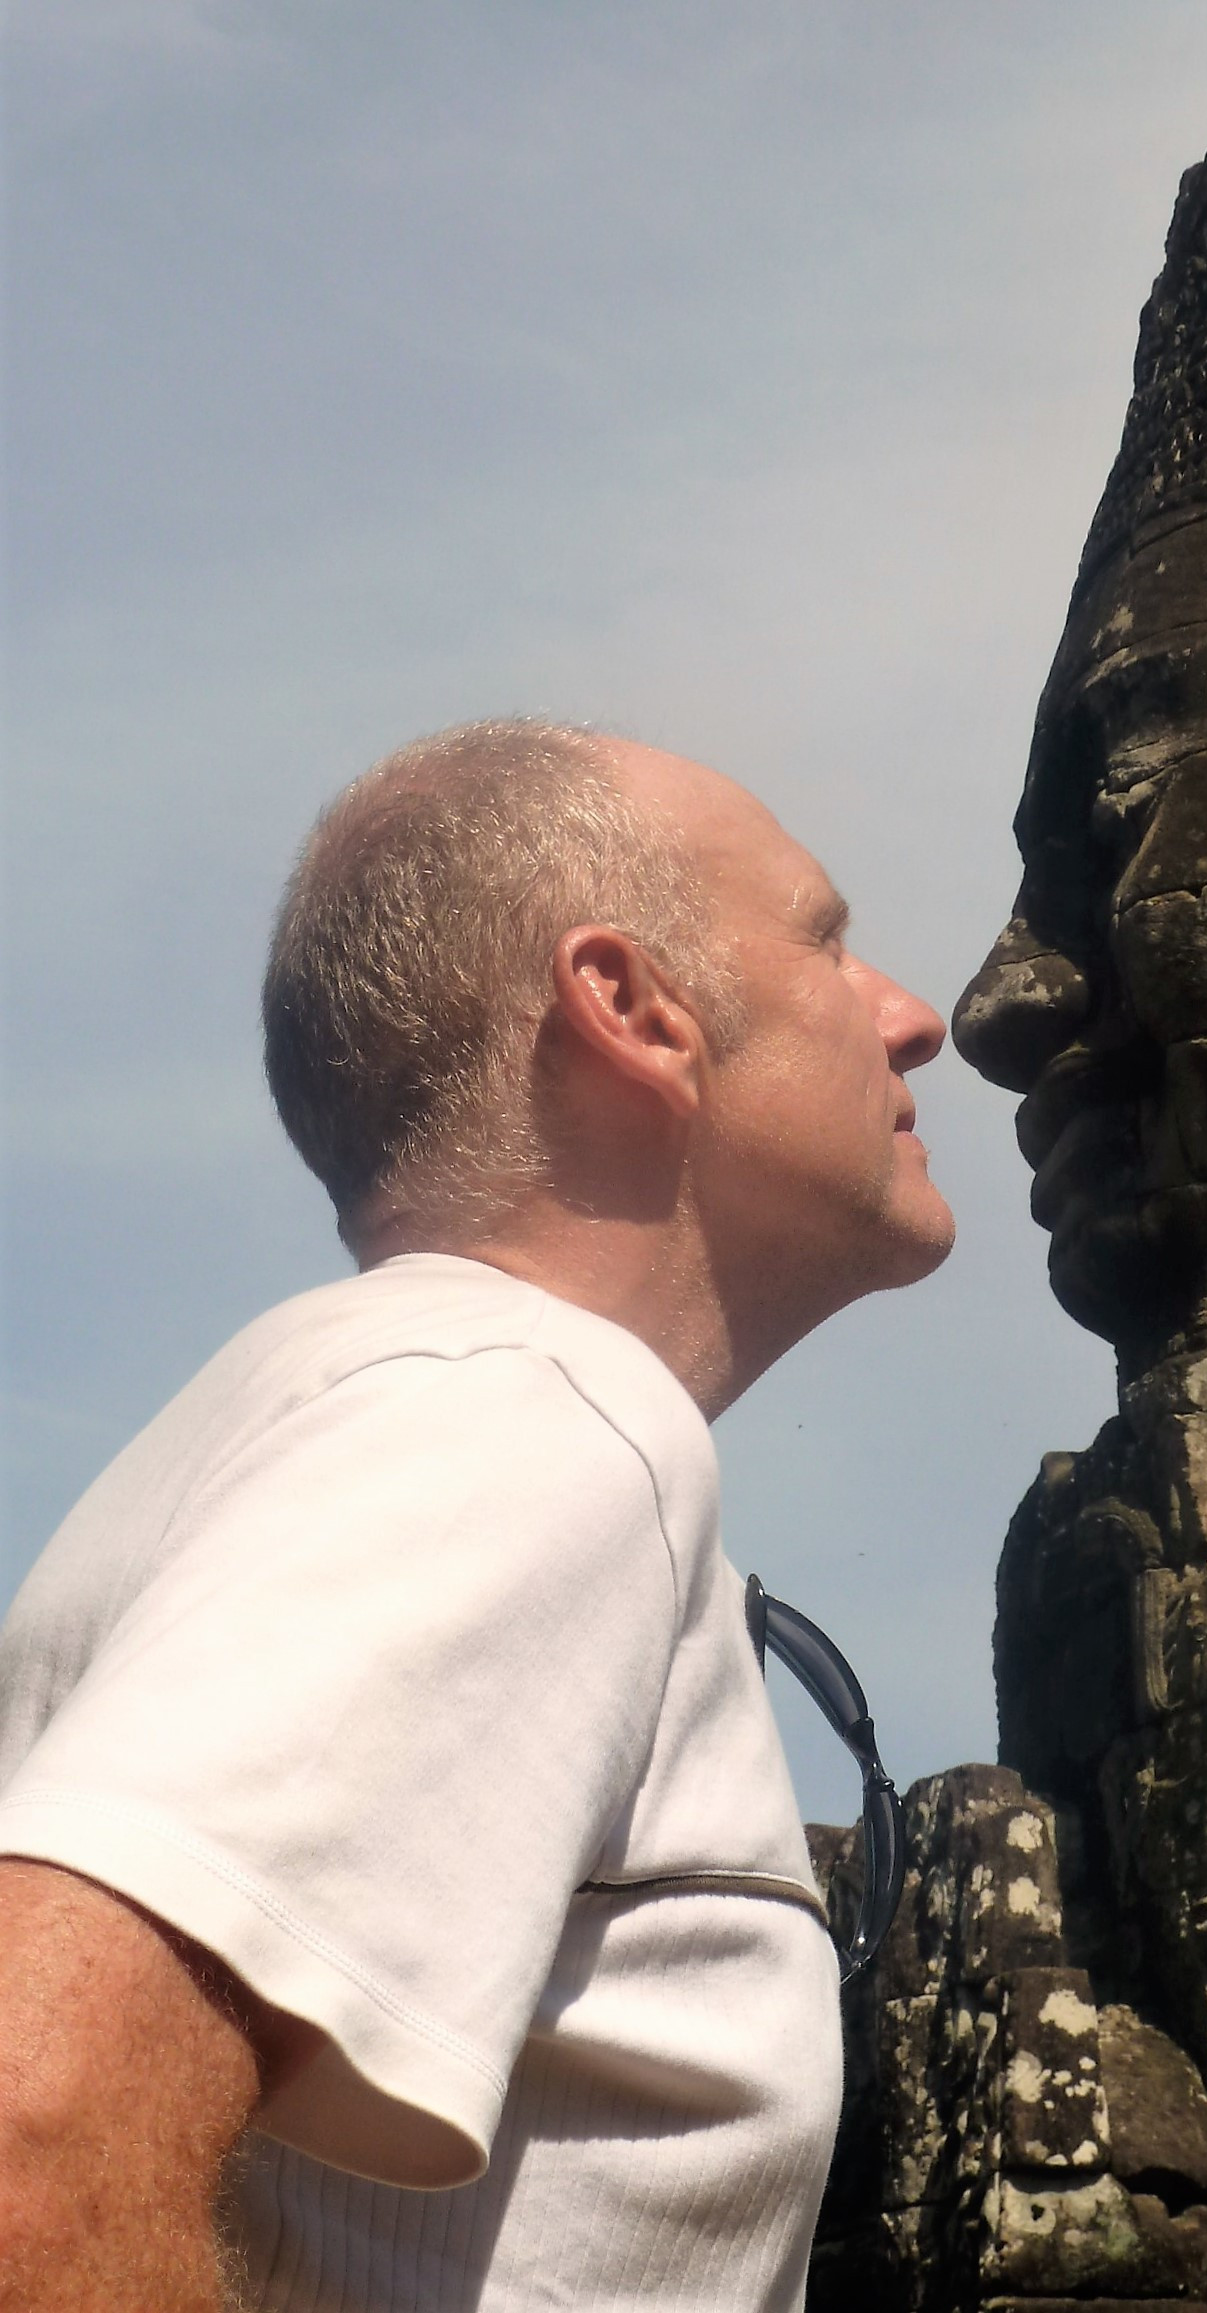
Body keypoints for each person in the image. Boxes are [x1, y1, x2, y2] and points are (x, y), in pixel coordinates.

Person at [0, 719, 954, 2310]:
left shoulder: (347, 1412)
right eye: (824, 937)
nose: (911, 1019)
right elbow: (36, 2129)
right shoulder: (523, 1413)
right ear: (633, 1007)